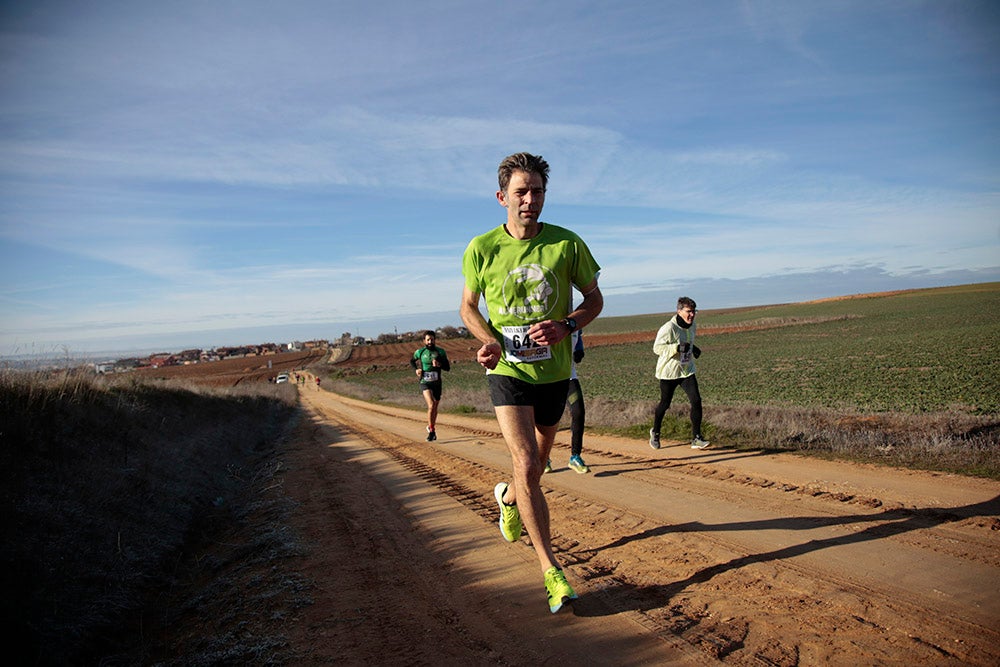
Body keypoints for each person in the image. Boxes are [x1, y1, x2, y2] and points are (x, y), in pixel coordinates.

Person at [460, 152, 603, 614]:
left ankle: (507, 497)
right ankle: (551, 570)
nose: (530, 199)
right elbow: (467, 307)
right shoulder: (481, 248)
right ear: (502, 197)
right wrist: (488, 342)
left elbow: (595, 298)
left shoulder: (567, 244)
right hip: (508, 371)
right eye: (521, 192)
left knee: (537, 466)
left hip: (555, 371)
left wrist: (567, 324)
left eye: (537, 191)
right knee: (524, 461)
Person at [649, 296, 710, 450]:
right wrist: (675, 348)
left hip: (686, 370)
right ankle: (655, 432)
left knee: (696, 400)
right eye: (688, 312)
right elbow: (657, 348)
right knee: (665, 404)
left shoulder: (692, 325)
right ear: (679, 311)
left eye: (694, 311)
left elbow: (687, 341)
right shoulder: (668, 328)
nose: (692, 315)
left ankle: (696, 438)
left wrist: (693, 348)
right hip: (669, 372)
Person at [546, 329, 590, 474]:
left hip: (568, 377)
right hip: (546, 378)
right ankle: (543, 457)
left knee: (578, 411)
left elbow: (578, 336)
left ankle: (575, 456)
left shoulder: (574, 321)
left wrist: (579, 349)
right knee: (546, 417)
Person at [410, 330, 451, 441]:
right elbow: (412, 361)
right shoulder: (420, 352)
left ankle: (431, 426)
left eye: (432, 339)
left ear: (434, 340)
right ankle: (432, 431)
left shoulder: (440, 352)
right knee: (431, 405)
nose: (430, 341)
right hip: (425, 382)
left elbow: (447, 368)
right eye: (428, 339)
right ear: (424, 341)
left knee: (435, 407)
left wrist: (439, 364)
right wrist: (416, 369)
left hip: (437, 382)